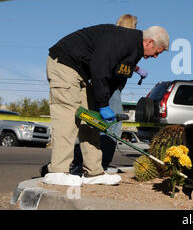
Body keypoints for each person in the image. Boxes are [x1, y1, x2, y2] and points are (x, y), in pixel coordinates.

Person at [43, 23, 169, 186]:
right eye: (157, 52)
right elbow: (100, 68)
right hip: (65, 64)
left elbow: (115, 77)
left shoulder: (135, 50)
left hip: (81, 73)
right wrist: (103, 104)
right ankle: (58, 171)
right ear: (149, 43)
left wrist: (103, 104)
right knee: (68, 118)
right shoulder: (122, 40)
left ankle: (93, 172)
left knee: (91, 120)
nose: (156, 56)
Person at [70, 14, 149, 176]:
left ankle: (79, 163)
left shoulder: (114, 39)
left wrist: (136, 69)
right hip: (109, 90)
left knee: (92, 125)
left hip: (102, 89)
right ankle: (99, 165)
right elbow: (115, 63)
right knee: (111, 128)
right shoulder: (125, 42)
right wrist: (136, 69)